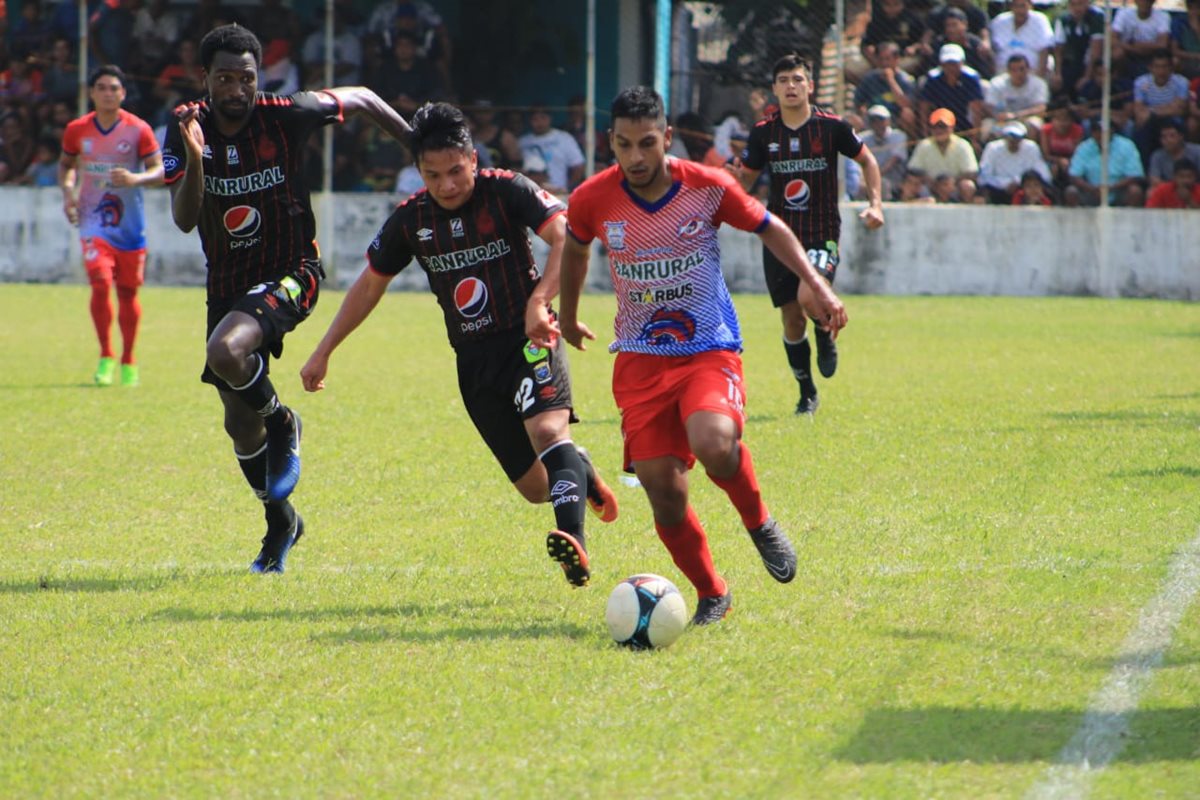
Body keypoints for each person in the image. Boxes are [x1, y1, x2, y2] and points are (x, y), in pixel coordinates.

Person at [557, 85, 848, 625]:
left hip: (708, 347)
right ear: (611, 144)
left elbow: (770, 228)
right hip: (639, 360)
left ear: (667, 137)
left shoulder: (707, 187)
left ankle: (760, 524)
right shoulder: (594, 198)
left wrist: (817, 284)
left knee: (714, 443)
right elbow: (574, 246)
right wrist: (569, 313)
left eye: (648, 143)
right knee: (663, 494)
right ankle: (713, 593)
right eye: (624, 145)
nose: (637, 157)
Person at [300, 102, 618, 588]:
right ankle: (582, 471)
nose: (447, 185)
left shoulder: (506, 190)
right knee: (536, 488)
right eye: (433, 175)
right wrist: (324, 350)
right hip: (473, 363)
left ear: (473, 160)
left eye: (455, 172)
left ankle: (571, 540)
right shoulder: (412, 219)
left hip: (528, 339)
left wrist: (541, 301)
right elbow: (369, 285)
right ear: (418, 173)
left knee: (550, 434)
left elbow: (568, 237)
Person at [162, 24, 411, 574]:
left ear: (259, 78)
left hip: (292, 271)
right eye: (224, 78)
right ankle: (281, 523)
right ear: (205, 79)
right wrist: (198, 158)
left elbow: (365, 98)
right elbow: (183, 218)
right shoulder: (184, 127)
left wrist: (420, 151)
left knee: (225, 354)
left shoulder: (287, 112)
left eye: (246, 78)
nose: (237, 89)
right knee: (236, 422)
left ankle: (283, 421)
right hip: (228, 284)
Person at [729, 54, 883, 416]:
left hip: (821, 233)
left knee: (810, 297)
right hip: (779, 237)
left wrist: (876, 204)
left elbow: (868, 161)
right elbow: (747, 181)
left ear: (810, 86)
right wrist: (734, 181)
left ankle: (825, 331)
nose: (791, 86)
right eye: (783, 80)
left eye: (798, 79)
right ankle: (806, 392)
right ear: (774, 89)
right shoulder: (764, 133)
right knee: (791, 319)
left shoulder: (831, 128)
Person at [58, 65, 163, 388]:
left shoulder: (138, 130)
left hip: (130, 225)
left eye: (113, 88)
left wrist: (136, 178)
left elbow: (159, 170)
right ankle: (106, 355)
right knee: (100, 282)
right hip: (92, 221)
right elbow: (66, 167)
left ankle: (129, 359)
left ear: (123, 93)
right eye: (101, 87)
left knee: (128, 291)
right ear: (91, 93)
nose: (107, 93)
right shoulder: (77, 129)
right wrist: (67, 193)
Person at [1065, 120, 1146, 206]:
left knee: (1135, 191)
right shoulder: (1084, 147)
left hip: (1118, 190)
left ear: (1112, 131)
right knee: (1071, 191)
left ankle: (1130, 219)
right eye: (1097, 131)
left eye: (1105, 131)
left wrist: (1111, 188)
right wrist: (1092, 189)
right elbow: (1074, 175)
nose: (1101, 134)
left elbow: (1135, 175)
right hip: (1092, 191)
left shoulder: (1126, 145)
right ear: (1092, 133)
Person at [908, 108, 980, 203]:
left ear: (952, 128)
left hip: (955, 188)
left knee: (967, 185)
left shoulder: (963, 145)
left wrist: (950, 184)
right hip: (930, 187)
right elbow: (914, 170)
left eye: (943, 127)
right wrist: (934, 184)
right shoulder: (924, 145)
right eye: (935, 127)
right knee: (911, 184)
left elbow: (971, 172)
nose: (939, 130)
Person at [977, 120, 1052, 203]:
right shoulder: (992, 148)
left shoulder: (1032, 148)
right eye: (1010, 137)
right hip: (997, 190)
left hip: (1023, 190)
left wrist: (1019, 182)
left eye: (1017, 138)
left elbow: (1044, 175)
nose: (1013, 141)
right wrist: (1005, 184)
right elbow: (983, 177)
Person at [518, 105, 586, 195]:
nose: (539, 122)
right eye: (535, 119)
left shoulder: (564, 138)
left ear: (550, 118)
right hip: (530, 194)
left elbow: (578, 167)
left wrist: (567, 188)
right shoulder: (523, 142)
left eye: (543, 118)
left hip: (558, 194)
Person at [988, 0, 1055, 78]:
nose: (1019, 10)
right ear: (1011, 7)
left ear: (1030, 6)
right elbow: (991, 46)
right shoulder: (999, 21)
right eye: (1016, 6)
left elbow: (1045, 48)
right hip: (1003, 74)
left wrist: (1040, 74)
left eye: (1023, 6)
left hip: (1032, 74)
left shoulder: (1040, 20)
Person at [1146, 119, 1200, 186]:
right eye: (1164, 137)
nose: (1168, 140)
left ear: (1181, 136)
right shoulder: (1157, 155)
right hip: (1168, 190)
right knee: (1151, 192)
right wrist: (1175, 189)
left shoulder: (1197, 151)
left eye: (1172, 136)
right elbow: (1154, 179)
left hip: (1195, 188)